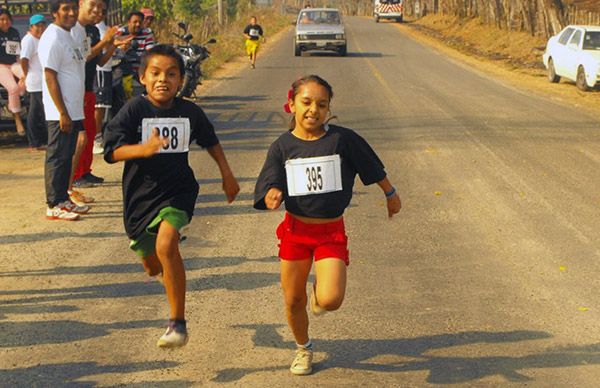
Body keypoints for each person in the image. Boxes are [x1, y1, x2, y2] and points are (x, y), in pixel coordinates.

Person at [253, 75, 402, 375]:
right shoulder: (282, 146)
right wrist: (272, 193)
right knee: (293, 300)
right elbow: (270, 178)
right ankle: (303, 348)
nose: (313, 110)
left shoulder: (342, 140)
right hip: (296, 232)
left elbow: (370, 165)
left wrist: (390, 193)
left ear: (329, 108)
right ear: (291, 105)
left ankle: (319, 294)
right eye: (306, 102)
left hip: (330, 232)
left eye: (322, 104)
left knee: (331, 300)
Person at [103, 44, 240, 348]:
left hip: (178, 191)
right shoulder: (134, 110)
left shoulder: (189, 111)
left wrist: (227, 175)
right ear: (142, 77)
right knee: (153, 265)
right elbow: (111, 152)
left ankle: (177, 323)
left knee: (167, 245)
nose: (163, 79)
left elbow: (211, 141)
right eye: (156, 73)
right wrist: (142, 149)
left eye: (171, 74)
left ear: (181, 80)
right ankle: (164, 262)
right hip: (140, 198)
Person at [39, 0, 90, 221]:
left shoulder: (68, 35)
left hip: (73, 108)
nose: (71, 13)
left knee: (67, 155)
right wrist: (61, 111)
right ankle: (53, 204)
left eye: (73, 8)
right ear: (54, 14)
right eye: (65, 9)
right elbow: (50, 76)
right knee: (57, 157)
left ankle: (62, 198)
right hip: (60, 111)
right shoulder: (52, 37)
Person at [70, 0, 120, 192]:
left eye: (100, 7)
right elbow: (82, 57)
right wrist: (105, 42)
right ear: (81, 4)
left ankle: (84, 171)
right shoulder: (73, 28)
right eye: (93, 5)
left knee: (90, 133)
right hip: (76, 89)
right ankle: (74, 177)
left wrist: (113, 45)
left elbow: (98, 61)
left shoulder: (90, 30)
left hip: (88, 88)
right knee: (79, 136)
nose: (97, 11)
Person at [20, 14, 47, 151]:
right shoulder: (28, 40)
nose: (41, 28)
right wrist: (26, 75)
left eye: (43, 25)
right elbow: (23, 60)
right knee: (35, 112)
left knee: (41, 112)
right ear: (31, 27)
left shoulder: (42, 39)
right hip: (35, 82)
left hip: (44, 81)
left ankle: (41, 140)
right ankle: (34, 142)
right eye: (38, 26)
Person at [0, 8, 26, 136]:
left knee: (29, 77)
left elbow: (18, 53)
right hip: (1, 66)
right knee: (13, 87)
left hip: (14, 63)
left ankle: (12, 104)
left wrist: (23, 71)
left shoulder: (14, 32)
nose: (5, 22)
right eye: (2, 19)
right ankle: (17, 118)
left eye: (7, 19)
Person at [118, 11, 154, 100]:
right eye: (135, 22)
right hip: (122, 72)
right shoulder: (120, 33)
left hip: (139, 71)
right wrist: (122, 48)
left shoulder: (147, 33)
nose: (138, 25)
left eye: (140, 22)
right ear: (128, 22)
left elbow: (150, 52)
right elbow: (114, 51)